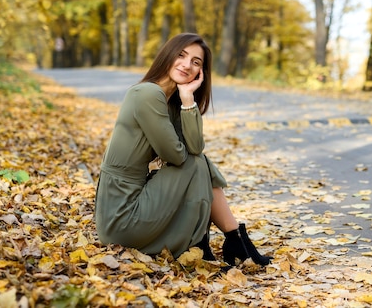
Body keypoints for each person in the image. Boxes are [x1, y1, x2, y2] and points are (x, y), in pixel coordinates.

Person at [94, 33, 271, 267]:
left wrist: (188, 99)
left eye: (196, 62)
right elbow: (177, 156)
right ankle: (229, 240)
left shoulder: (171, 101)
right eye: (181, 55)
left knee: (198, 161)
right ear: (167, 55)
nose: (187, 65)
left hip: (132, 205)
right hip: (120, 217)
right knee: (195, 164)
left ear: (201, 72)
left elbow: (196, 147)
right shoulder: (147, 94)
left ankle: (229, 240)